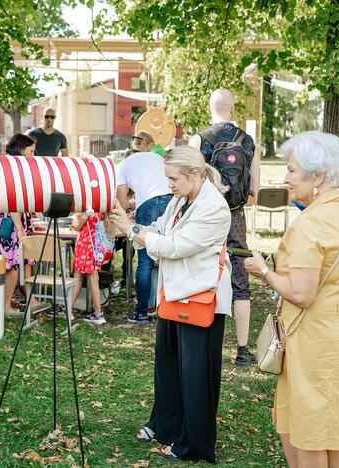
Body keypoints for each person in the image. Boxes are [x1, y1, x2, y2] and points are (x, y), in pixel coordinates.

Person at [244, 131, 339, 468]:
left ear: (318, 177)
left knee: (311, 430)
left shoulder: (311, 223)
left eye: (291, 170)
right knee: (335, 432)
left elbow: (302, 294)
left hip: (315, 346)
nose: (284, 178)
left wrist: (263, 272)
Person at [109, 145, 232, 462]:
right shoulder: (179, 200)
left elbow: (176, 246)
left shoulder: (214, 207)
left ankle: (193, 443)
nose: (169, 186)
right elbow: (159, 233)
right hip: (175, 293)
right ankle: (165, 425)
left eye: (174, 178)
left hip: (201, 297)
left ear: (194, 174)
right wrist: (133, 226)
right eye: (167, 178)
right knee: (168, 367)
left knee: (195, 375)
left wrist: (132, 231)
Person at [189, 88, 259, 366]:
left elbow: (190, 184)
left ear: (210, 107)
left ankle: (202, 342)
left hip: (205, 215)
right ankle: (242, 350)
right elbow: (254, 187)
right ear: (233, 109)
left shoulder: (199, 139)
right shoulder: (248, 140)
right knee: (240, 280)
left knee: (201, 271)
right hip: (236, 216)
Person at [116, 134, 173, 324]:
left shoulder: (123, 165)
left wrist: (127, 216)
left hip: (147, 206)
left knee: (145, 262)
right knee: (169, 255)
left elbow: (121, 201)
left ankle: (141, 312)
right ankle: (165, 307)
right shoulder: (157, 158)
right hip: (169, 201)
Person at [0, 134, 41, 316]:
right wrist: (20, 228)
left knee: (15, 262)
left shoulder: (5, 165)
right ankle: (5, 306)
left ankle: (19, 300)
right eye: (31, 151)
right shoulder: (15, 168)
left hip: (6, 218)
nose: (33, 156)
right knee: (12, 264)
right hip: (11, 221)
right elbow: (14, 200)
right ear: (21, 150)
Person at [70, 212, 114, 325]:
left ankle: (97, 314)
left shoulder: (89, 209)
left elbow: (78, 226)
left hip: (86, 244)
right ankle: (69, 309)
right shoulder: (102, 208)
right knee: (89, 277)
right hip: (95, 246)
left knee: (81, 277)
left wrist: (80, 216)